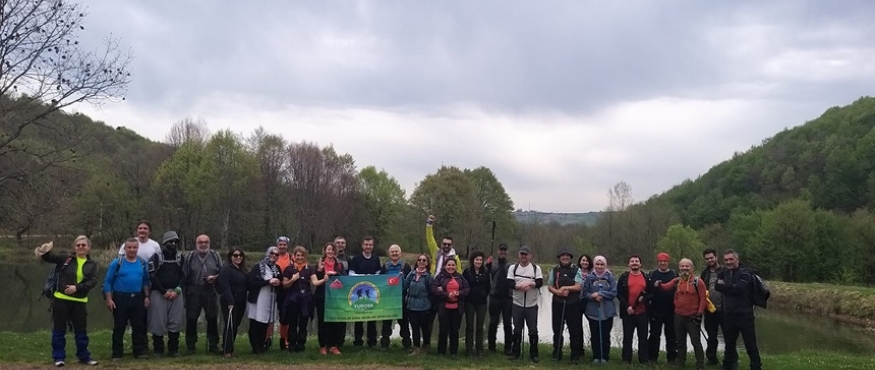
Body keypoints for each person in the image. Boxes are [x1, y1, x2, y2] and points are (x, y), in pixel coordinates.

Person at [35, 237, 99, 367]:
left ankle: (84, 356)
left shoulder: (92, 264)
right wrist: (45, 250)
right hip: (61, 300)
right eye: (78, 245)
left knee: (81, 331)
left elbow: (93, 281)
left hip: (80, 301)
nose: (81, 247)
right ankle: (59, 357)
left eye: (83, 245)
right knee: (59, 330)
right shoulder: (65, 258)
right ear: (74, 247)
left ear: (88, 247)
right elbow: (48, 258)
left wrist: (77, 288)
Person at [105, 238, 151, 361]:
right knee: (119, 326)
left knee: (138, 326)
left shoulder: (142, 263)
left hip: (137, 298)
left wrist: (147, 296)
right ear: (125, 248)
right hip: (120, 298)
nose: (132, 250)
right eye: (129, 247)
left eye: (134, 247)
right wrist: (109, 299)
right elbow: (108, 281)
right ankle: (117, 353)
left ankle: (139, 352)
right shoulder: (117, 263)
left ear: (137, 248)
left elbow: (145, 281)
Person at [658, 258, 707, 370]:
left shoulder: (698, 282)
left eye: (687, 266)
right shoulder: (677, 280)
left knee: (696, 342)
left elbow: (703, 298)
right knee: (680, 341)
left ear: (692, 268)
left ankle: (700, 364)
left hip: (693, 316)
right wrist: (658, 284)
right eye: (682, 266)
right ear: (679, 268)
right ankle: (680, 362)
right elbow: (666, 287)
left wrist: (699, 313)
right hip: (678, 315)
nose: (684, 268)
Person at [715, 249, 761, 370]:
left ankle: (756, 366)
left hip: (744, 314)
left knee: (750, 344)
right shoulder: (724, 272)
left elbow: (740, 289)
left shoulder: (745, 273)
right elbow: (717, 286)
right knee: (729, 344)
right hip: (729, 314)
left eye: (731, 259)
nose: (729, 262)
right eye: (726, 260)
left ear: (737, 259)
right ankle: (728, 366)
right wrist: (731, 287)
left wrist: (725, 287)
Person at [182, 234, 223, 354]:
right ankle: (190, 346)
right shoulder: (189, 256)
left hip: (210, 291)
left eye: (206, 242)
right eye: (200, 242)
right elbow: (184, 275)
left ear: (209, 243)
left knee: (212, 318)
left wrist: (215, 277)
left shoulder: (215, 256)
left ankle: (213, 345)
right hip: (193, 291)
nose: (203, 244)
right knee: (191, 319)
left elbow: (223, 272)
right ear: (196, 244)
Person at [147, 231, 185, 357]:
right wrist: (163, 291)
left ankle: (173, 349)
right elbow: (152, 275)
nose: (173, 244)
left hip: (176, 293)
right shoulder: (156, 257)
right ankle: (158, 349)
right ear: (164, 243)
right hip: (159, 293)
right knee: (158, 322)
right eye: (170, 241)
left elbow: (184, 276)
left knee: (176, 322)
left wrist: (177, 290)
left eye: (175, 242)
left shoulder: (181, 258)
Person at [546, 246, 583, 364]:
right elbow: (550, 286)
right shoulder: (554, 270)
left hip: (573, 303)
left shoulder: (576, 270)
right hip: (558, 302)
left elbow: (578, 286)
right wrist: (558, 292)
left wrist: (566, 288)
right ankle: (557, 353)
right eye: (563, 255)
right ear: (559, 257)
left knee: (574, 330)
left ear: (570, 258)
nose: (565, 257)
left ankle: (575, 355)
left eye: (567, 256)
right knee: (557, 329)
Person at [507, 245, 543, 363]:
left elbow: (540, 282)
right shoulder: (513, 268)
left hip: (531, 304)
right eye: (522, 254)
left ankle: (534, 353)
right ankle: (515, 352)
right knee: (517, 329)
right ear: (519, 255)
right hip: (517, 303)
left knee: (533, 330)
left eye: (526, 254)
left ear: (530, 256)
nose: (523, 256)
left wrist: (530, 284)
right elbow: (509, 283)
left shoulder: (535, 268)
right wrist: (518, 286)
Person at [582, 255, 617, 364]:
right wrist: (592, 296)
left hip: (607, 312)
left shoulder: (610, 277)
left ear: (605, 265)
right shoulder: (589, 278)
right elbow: (585, 292)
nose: (599, 266)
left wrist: (601, 294)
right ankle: (596, 356)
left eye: (602, 264)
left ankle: (604, 357)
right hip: (593, 311)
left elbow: (614, 292)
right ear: (594, 265)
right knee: (595, 335)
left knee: (605, 335)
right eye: (597, 264)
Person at [348, 236, 382, 348]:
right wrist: (364, 277)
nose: (368, 246)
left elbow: (379, 275)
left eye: (370, 245)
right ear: (362, 245)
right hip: (358, 293)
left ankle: (372, 342)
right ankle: (358, 342)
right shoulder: (356, 259)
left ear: (373, 246)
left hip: (372, 293)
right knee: (359, 319)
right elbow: (351, 274)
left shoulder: (376, 259)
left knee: (372, 318)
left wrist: (371, 278)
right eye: (366, 244)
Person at [431, 259, 470, 357]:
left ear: (456, 266)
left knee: (455, 331)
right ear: (445, 266)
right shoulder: (440, 277)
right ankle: (441, 352)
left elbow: (467, 289)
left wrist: (459, 293)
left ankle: (453, 352)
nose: (451, 267)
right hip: (444, 307)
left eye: (453, 265)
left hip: (457, 308)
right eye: (449, 265)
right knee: (443, 330)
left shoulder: (460, 277)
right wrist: (446, 294)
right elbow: (434, 289)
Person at [247, 247, 282, 354]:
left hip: (270, 298)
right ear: (267, 254)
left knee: (265, 323)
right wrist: (268, 282)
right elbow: (251, 283)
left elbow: (280, 281)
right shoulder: (258, 267)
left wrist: (278, 283)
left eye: (276, 254)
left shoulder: (277, 268)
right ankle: (255, 346)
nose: (274, 256)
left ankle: (261, 344)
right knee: (255, 322)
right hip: (258, 298)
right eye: (272, 253)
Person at [313, 242, 346, 355]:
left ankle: (333, 345)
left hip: (335, 296)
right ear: (325, 250)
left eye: (332, 250)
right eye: (328, 249)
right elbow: (314, 279)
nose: (330, 252)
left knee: (334, 321)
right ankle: (323, 346)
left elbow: (345, 278)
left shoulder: (339, 264)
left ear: (335, 251)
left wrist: (335, 273)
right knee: (322, 321)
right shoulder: (319, 262)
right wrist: (319, 270)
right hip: (322, 295)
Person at [617, 254, 650, 365]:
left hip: (642, 313)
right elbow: (619, 294)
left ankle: (644, 360)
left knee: (643, 338)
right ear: (629, 264)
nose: (634, 263)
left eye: (636, 261)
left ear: (640, 264)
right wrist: (627, 307)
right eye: (632, 261)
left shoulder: (646, 277)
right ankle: (626, 359)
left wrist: (644, 298)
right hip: (628, 313)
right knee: (627, 338)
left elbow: (651, 293)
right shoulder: (624, 277)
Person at [282, 246, 316, 353]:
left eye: (302, 255)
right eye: (298, 255)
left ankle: (301, 344)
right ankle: (292, 344)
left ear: (305, 256)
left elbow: (314, 282)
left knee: (303, 323)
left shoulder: (309, 269)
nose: (300, 257)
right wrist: (293, 279)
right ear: (294, 256)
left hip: (306, 300)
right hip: (293, 300)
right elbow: (284, 285)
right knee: (292, 323)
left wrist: (324, 279)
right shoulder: (289, 269)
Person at [217, 248, 248, 358]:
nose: (238, 257)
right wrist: (230, 301)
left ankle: (230, 347)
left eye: (240, 255)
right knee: (230, 325)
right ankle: (227, 350)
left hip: (241, 301)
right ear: (230, 257)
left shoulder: (242, 269)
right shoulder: (226, 269)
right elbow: (225, 286)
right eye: (235, 255)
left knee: (235, 325)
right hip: (230, 302)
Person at [648, 252, 678, 365]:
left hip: (671, 310)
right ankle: (652, 358)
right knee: (654, 335)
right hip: (655, 310)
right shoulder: (652, 274)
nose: (662, 263)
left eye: (664, 261)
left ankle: (672, 358)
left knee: (671, 335)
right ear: (658, 262)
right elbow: (648, 291)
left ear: (668, 262)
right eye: (660, 261)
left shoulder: (674, 274)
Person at [380, 244, 413, 351]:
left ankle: (407, 345)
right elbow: (380, 282)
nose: (394, 253)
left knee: (404, 323)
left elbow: (410, 282)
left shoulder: (406, 266)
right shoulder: (385, 267)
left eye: (396, 251)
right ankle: (384, 345)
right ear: (389, 254)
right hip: (388, 300)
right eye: (392, 252)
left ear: (400, 253)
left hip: (401, 299)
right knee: (386, 323)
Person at [700, 248, 727, 366]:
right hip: (710, 310)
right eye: (707, 259)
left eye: (711, 257)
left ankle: (730, 360)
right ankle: (711, 359)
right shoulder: (704, 273)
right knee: (711, 336)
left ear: (716, 257)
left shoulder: (726, 271)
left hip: (725, 310)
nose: (710, 260)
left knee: (728, 336)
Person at [486, 243, 513, 356]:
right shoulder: (492, 265)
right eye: (501, 250)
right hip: (494, 297)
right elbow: (486, 274)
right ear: (498, 251)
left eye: (504, 250)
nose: (503, 252)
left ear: (507, 252)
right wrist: (487, 265)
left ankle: (508, 347)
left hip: (508, 298)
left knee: (507, 323)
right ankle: (491, 346)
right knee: (493, 322)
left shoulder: (511, 266)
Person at [462, 250, 490, 357]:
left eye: (480, 260)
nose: (478, 262)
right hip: (469, 302)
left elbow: (488, 287)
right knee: (470, 326)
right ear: (472, 260)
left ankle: (479, 349)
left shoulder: (486, 271)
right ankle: (469, 349)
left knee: (480, 326)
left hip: (482, 303)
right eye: (476, 260)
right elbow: (463, 285)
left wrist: (483, 295)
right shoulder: (467, 271)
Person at [405, 254, 434, 355]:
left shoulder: (429, 277)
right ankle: (416, 347)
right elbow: (405, 285)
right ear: (417, 262)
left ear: (427, 263)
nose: (421, 262)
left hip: (424, 306)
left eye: (424, 260)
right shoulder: (411, 274)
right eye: (419, 260)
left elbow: (432, 291)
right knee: (414, 328)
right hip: (411, 305)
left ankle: (426, 345)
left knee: (425, 328)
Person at [273, 237, 293, 350]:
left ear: (287, 246)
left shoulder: (291, 258)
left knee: (285, 315)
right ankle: (266, 338)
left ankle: (284, 339)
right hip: (273, 287)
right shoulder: (273, 256)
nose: (282, 246)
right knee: (269, 315)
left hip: (287, 289)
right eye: (280, 244)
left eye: (284, 245)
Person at [576, 254, 593, 359]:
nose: (585, 262)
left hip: (589, 302)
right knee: (578, 327)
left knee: (593, 325)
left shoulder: (593, 273)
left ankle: (595, 350)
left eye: (587, 261)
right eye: (583, 260)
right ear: (580, 262)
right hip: (577, 301)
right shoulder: (576, 272)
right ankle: (579, 350)